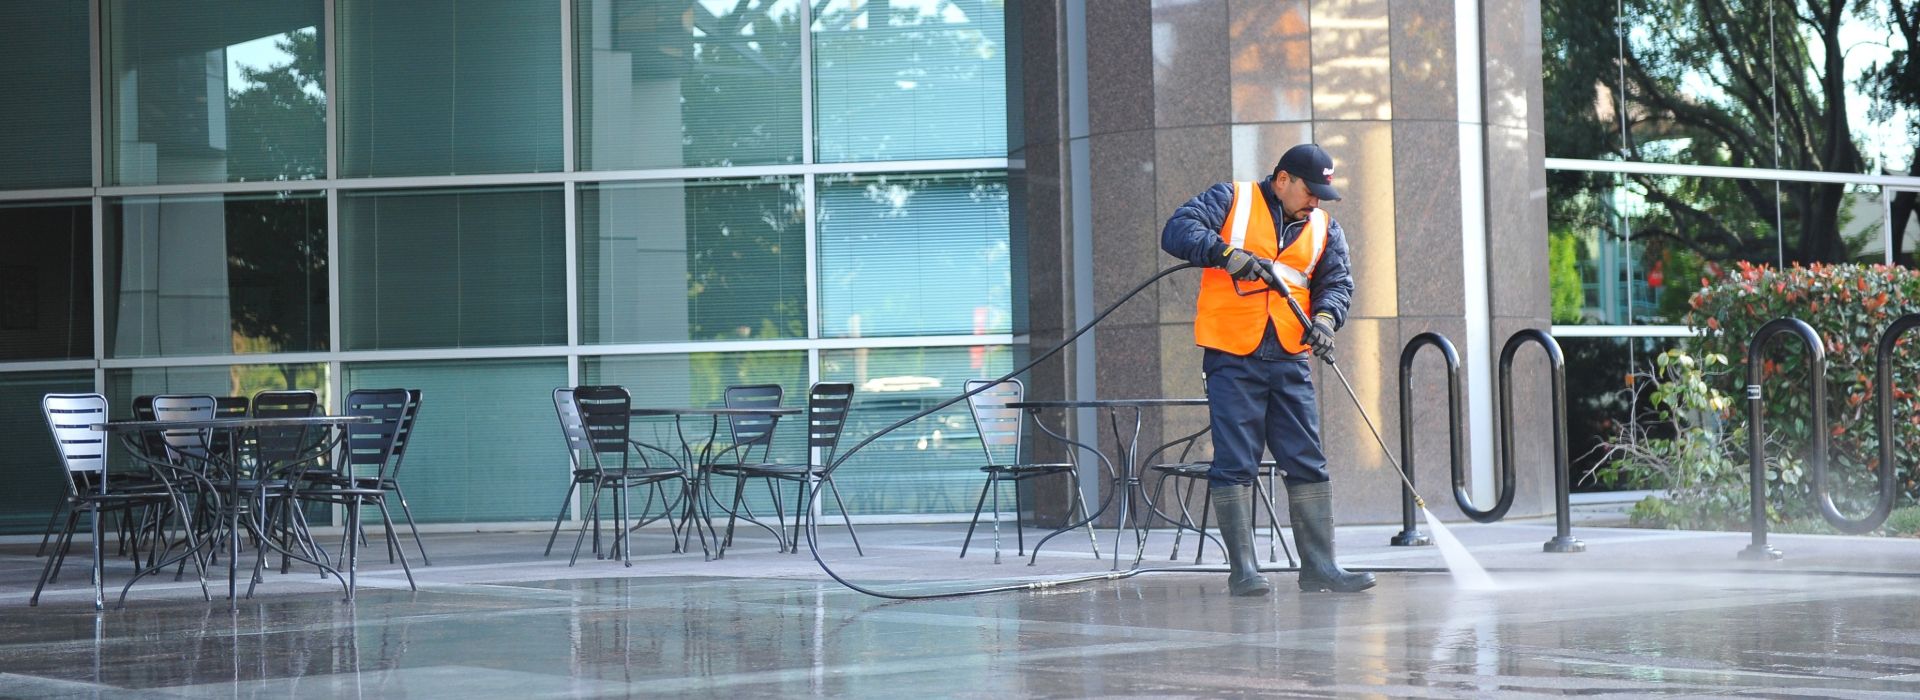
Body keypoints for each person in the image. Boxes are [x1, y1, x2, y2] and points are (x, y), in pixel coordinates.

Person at [1159, 143, 1375, 596]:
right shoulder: (1231, 200)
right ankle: (1244, 572)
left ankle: (1320, 567)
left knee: (1307, 460)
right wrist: (1221, 253)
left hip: (1289, 355)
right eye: (1309, 190)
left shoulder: (1324, 229)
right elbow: (1177, 229)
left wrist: (1324, 320)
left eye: (1321, 194)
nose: (1315, 201)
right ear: (1282, 180)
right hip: (1232, 354)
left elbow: (1336, 283)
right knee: (1236, 461)